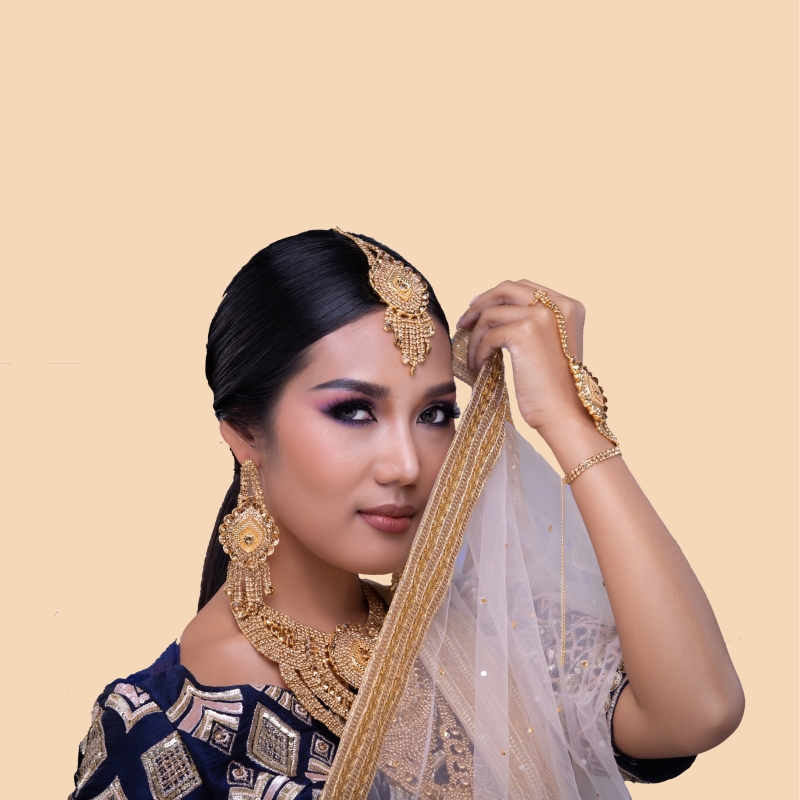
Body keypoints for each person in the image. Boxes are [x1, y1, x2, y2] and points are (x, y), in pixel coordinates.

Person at [70, 229, 744, 800]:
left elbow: (698, 711)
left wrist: (567, 418)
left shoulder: (478, 640)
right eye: (353, 411)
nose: (406, 465)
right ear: (245, 433)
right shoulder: (158, 730)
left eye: (435, 414)